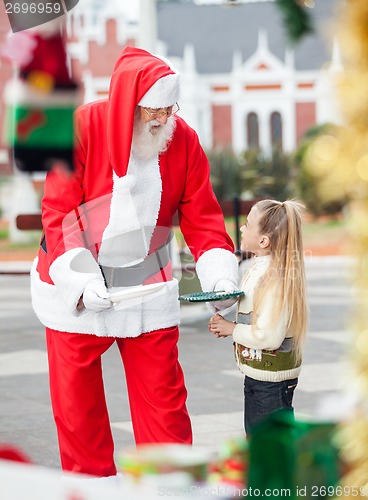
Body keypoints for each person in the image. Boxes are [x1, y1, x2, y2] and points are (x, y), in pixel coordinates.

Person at [30, 46, 239, 478]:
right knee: (77, 409)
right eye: (153, 110)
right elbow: (59, 212)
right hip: (78, 288)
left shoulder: (184, 140)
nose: (164, 118)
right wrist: (81, 278)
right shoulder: (83, 128)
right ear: (130, 106)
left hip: (148, 282)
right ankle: (91, 488)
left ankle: (172, 486)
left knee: (164, 403)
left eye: (170, 107)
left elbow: (203, 217)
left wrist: (220, 277)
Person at [208, 199, 308, 435]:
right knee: (261, 442)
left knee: (269, 445)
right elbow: (252, 306)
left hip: (271, 384)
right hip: (260, 376)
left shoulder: (274, 278)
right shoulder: (260, 268)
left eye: (247, 224)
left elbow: (269, 337)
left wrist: (232, 328)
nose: (241, 228)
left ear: (264, 241)